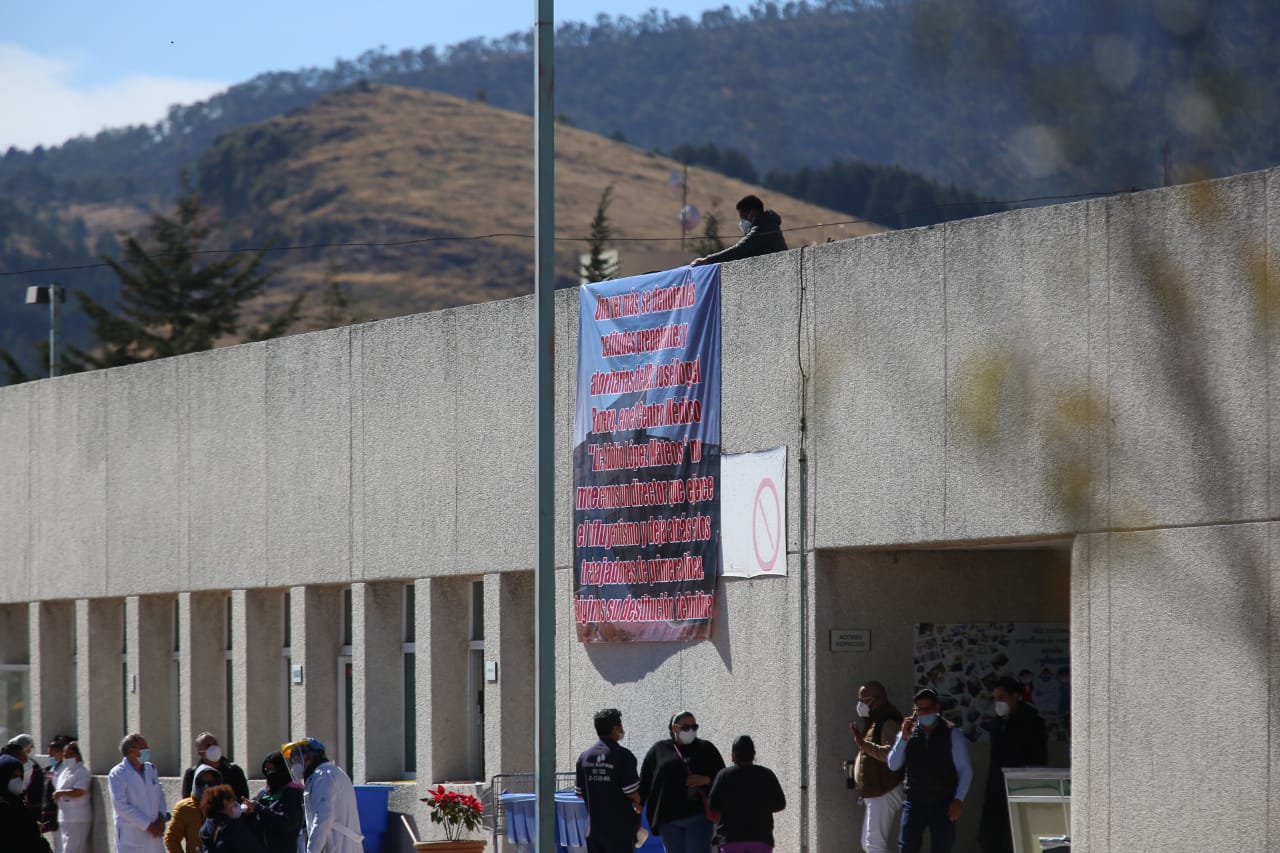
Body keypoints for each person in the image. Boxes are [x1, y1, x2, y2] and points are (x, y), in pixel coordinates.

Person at [886, 689, 973, 853]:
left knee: (942, 847)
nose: (923, 713)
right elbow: (893, 764)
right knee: (907, 847)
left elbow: (965, 769)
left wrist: (958, 799)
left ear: (937, 708)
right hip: (915, 801)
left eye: (927, 709)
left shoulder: (951, 733)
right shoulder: (908, 732)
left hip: (943, 802)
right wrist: (903, 738)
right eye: (919, 710)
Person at [978, 676, 1048, 853]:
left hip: (1021, 788)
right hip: (996, 788)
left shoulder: (1032, 723)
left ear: (1015, 696)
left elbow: (1038, 759)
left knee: (1017, 838)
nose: (998, 702)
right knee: (990, 837)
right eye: (996, 698)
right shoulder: (998, 723)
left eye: (1002, 697)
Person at [639, 710, 725, 853]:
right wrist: (637, 810)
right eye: (686, 727)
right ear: (674, 728)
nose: (691, 731)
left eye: (694, 727)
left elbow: (723, 777)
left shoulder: (706, 748)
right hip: (668, 818)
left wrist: (706, 779)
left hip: (698, 817)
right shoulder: (658, 750)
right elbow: (645, 783)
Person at [845, 681, 905, 853]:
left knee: (874, 845)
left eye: (863, 700)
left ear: (876, 699)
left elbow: (890, 754)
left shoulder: (887, 721)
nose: (860, 704)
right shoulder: (875, 720)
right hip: (877, 790)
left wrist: (862, 744)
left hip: (885, 789)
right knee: (869, 844)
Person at [575, 708, 642, 853]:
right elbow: (632, 792)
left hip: (593, 829)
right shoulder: (623, 756)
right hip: (619, 831)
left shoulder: (584, 757)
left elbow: (579, 793)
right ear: (616, 728)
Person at [281, 738, 362, 853]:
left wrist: (313, 850)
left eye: (295, 760)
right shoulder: (323, 774)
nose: (294, 765)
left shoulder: (324, 776)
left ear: (308, 757)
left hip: (337, 845)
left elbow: (323, 817)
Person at [707, 735, 785, 853]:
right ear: (754, 754)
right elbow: (780, 804)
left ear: (733, 756)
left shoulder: (724, 775)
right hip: (761, 837)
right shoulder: (766, 774)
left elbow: (713, 804)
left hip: (731, 837)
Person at [108, 732, 168, 853]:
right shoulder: (117, 774)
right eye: (144, 747)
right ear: (131, 751)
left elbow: (160, 794)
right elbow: (121, 806)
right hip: (132, 835)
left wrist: (161, 819)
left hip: (155, 832)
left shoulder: (151, 769)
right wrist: (148, 825)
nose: (148, 750)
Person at [690, 195, 787, 267]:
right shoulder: (766, 223)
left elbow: (739, 249)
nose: (741, 222)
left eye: (743, 217)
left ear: (752, 213)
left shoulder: (763, 227)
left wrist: (707, 260)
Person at [253, 752, 304, 853]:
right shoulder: (263, 794)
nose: (269, 774)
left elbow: (286, 822)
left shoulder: (293, 794)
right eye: (267, 770)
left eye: (273, 770)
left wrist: (259, 808)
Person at [166, 765, 222, 853]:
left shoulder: (223, 807)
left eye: (211, 783)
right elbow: (172, 839)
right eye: (201, 782)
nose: (206, 787)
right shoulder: (184, 808)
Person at [1, 753, 48, 852]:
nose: (17, 780)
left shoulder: (19, 803)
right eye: (13, 776)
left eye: (19, 776)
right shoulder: (3, 805)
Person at [181, 732, 250, 801]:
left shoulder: (234, 771)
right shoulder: (192, 774)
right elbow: (187, 800)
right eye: (208, 745)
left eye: (215, 743)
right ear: (200, 752)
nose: (213, 747)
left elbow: (243, 798)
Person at [199, 784, 265, 853]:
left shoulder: (208, 825)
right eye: (233, 800)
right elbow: (253, 848)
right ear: (225, 803)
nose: (236, 803)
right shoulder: (233, 829)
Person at [52, 741, 92, 853]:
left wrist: (61, 793)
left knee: (72, 850)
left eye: (69, 755)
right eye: (65, 755)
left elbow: (80, 791)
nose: (66, 758)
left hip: (77, 817)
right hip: (66, 817)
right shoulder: (65, 771)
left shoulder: (81, 772)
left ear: (78, 755)